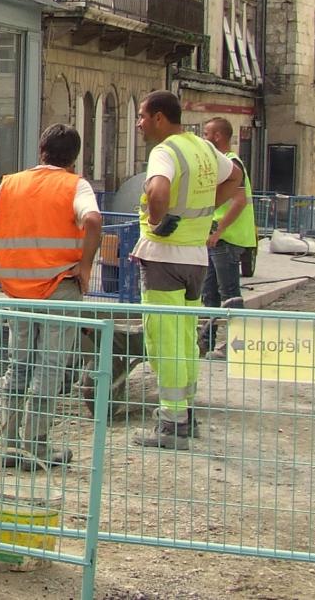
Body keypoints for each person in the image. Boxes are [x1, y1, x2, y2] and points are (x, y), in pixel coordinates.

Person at [0, 124, 102, 469]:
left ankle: (12, 445)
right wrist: (85, 267)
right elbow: (93, 219)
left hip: (17, 289)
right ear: (73, 157)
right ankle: (36, 446)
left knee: (20, 365)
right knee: (50, 366)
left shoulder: (11, 184)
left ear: (40, 150)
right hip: (59, 286)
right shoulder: (76, 185)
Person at [132, 91, 241, 449]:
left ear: (160, 118)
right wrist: (207, 208)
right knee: (184, 337)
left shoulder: (165, 151)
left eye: (143, 116)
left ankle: (170, 423)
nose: (140, 123)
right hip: (196, 258)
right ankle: (185, 412)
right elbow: (235, 176)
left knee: (164, 338)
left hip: (164, 256)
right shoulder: (203, 147)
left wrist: (157, 218)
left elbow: (159, 189)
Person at [199, 117, 256, 358]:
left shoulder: (232, 164)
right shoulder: (225, 164)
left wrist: (219, 230)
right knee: (210, 293)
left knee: (229, 293)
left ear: (218, 136)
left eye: (206, 133)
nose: (204, 138)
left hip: (227, 238)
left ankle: (238, 346)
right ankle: (206, 343)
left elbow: (239, 201)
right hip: (219, 238)